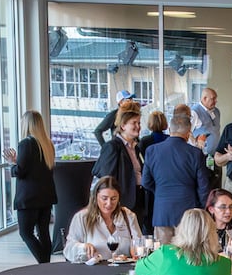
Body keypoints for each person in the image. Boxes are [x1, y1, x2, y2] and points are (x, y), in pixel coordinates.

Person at [142, 104, 213, 242]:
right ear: (188, 133)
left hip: (162, 212)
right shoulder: (195, 153)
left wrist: (161, 191)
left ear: (169, 129)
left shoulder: (152, 151)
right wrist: (202, 208)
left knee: (164, 258)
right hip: (188, 214)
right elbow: (204, 187)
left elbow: (146, 182)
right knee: (188, 257)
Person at [8, 109, 57, 263]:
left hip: (28, 198)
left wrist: (12, 164)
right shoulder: (47, 144)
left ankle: (42, 263)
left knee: (26, 233)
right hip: (46, 195)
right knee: (43, 233)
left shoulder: (25, 143)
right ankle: (46, 264)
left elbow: (21, 171)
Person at [64, 175, 143, 263]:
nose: (109, 203)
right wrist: (82, 247)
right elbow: (68, 250)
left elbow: (139, 244)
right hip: (93, 272)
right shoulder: (82, 217)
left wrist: (137, 250)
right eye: (104, 198)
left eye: (113, 199)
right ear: (95, 197)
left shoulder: (128, 216)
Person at [93, 104, 145, 225]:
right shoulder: (112, 147)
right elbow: (107, 180)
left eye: (139, 123)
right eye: (134, 123)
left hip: (138, 199)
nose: (138, 127)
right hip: (122, 203)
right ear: (122, 125)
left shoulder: (136, 148)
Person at [191, 86, 220, 152]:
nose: (216, 101)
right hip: (200, 154)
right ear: (204, 99)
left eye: (216, 98)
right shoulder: (194, 112)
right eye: (213, 98)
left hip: (215, 153)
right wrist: (196, 142)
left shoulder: (217, 111)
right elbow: (188, 133)